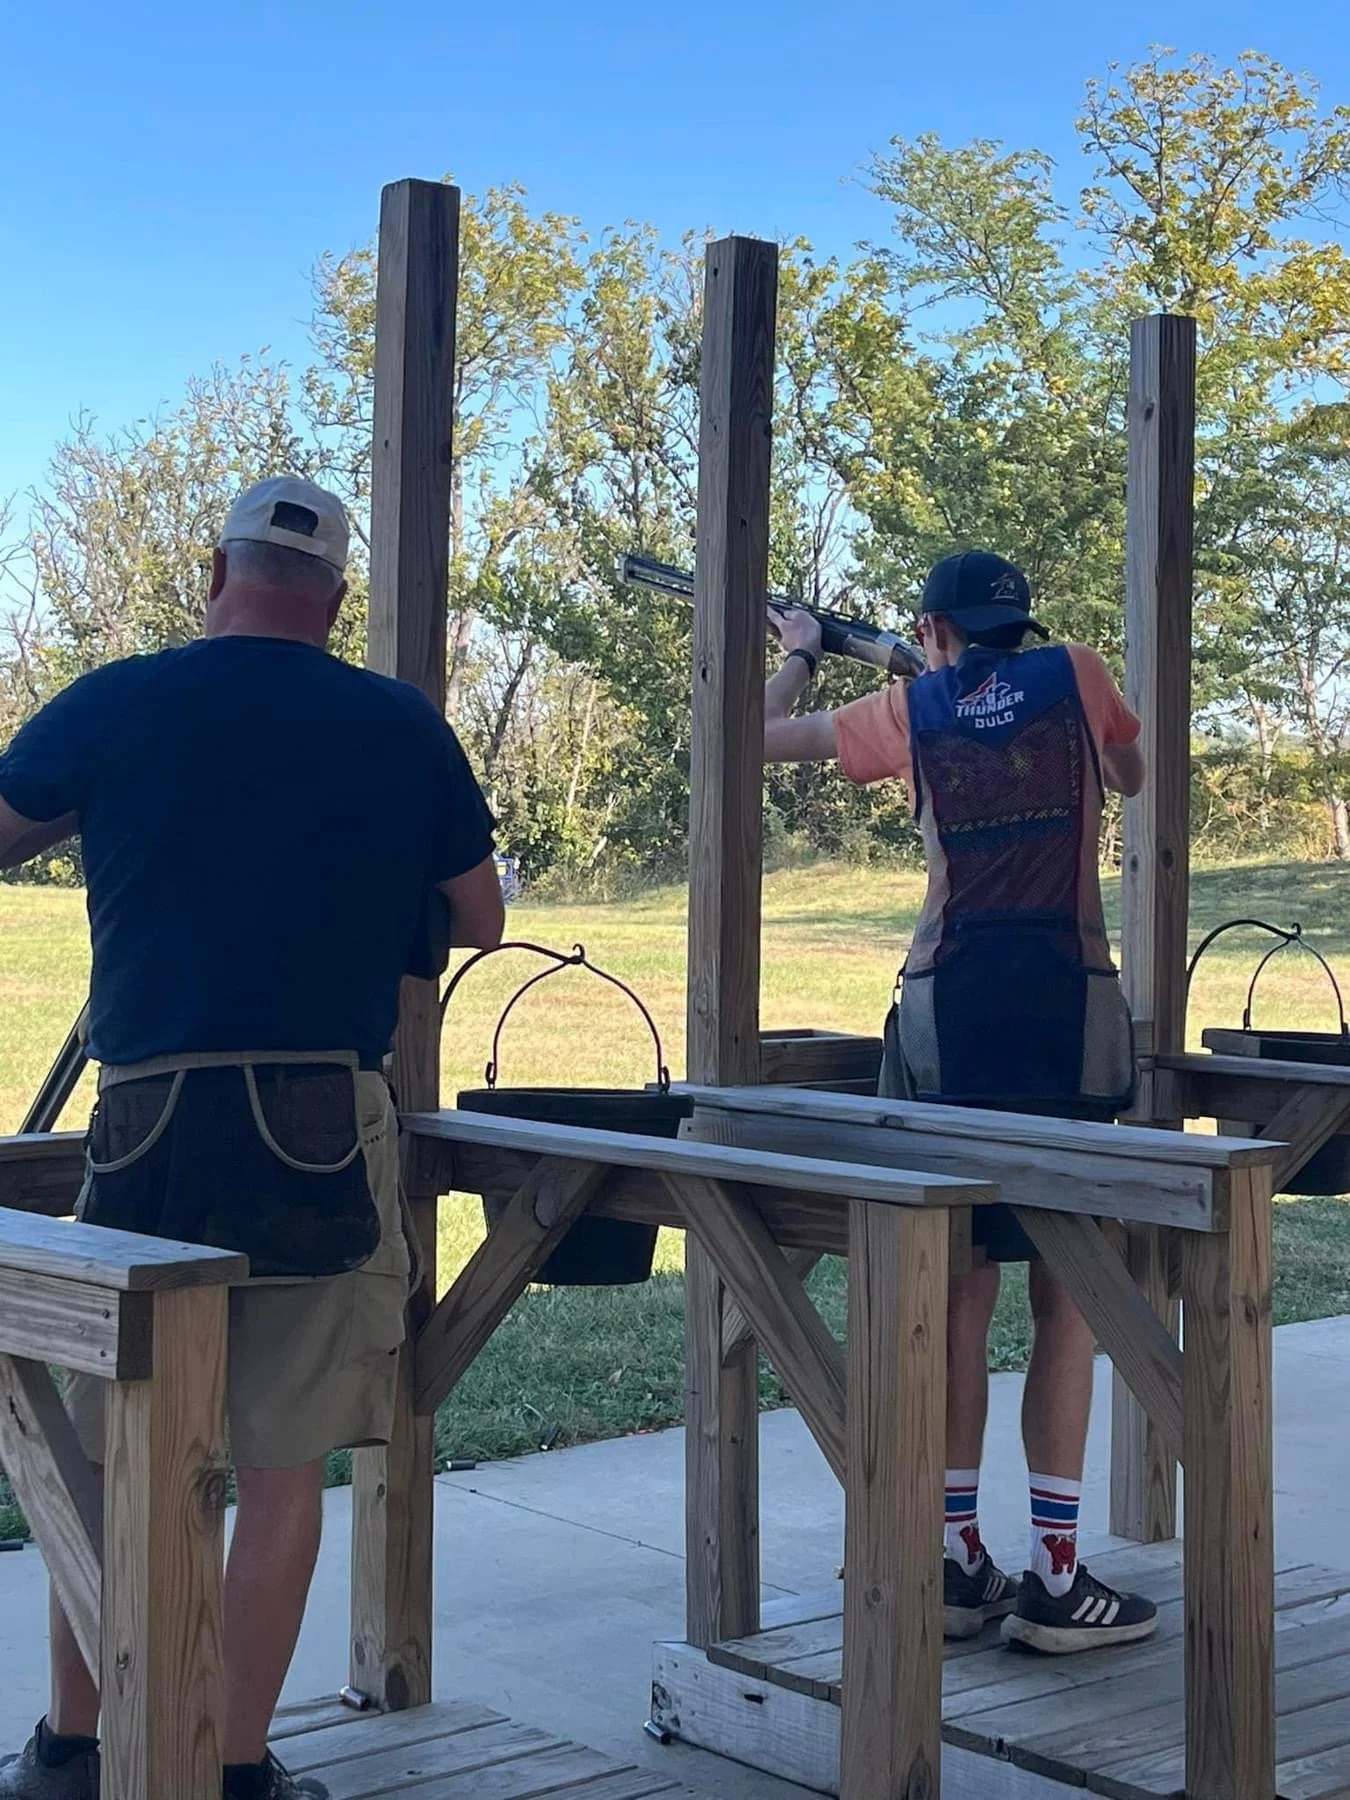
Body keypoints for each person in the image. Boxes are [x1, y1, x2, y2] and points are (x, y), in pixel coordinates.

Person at [0, 477, 505, 1800]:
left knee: (122, 1456)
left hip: (150, 1114)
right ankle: (227, 1772)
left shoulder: (119, 701)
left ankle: (70, 1749)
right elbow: (481, 916)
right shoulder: (399, 724)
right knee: (281, 1466)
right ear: (336, 599)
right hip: (323, 1120)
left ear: (212, 570)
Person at [765, 548, 1158, 1655]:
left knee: (963, 1288)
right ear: (1018, 624)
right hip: (1066, 1005)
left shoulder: (909, 707)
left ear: (932, 630)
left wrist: (800, 660)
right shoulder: (1076, 673)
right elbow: (1130, 777)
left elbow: (743, 740)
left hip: (950, 1015)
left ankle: (954, 1563)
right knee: (1070, 1294)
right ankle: (1061, 1576)